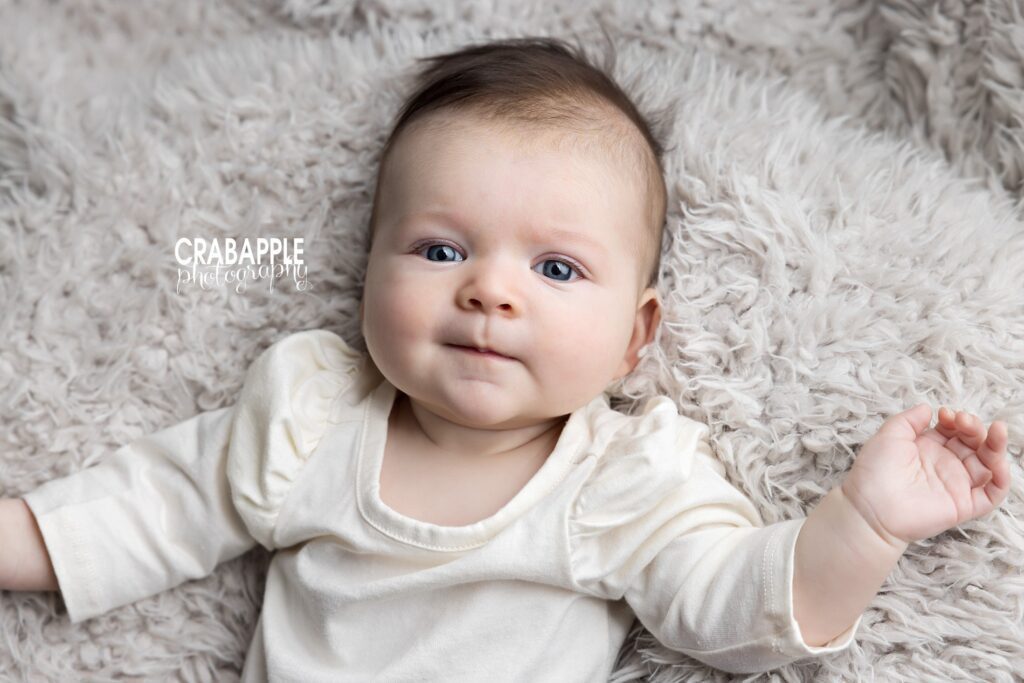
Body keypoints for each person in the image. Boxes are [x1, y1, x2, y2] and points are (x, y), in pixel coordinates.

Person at [1, 35, 1011, 681]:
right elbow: (145, 507)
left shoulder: (621, 478)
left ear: (634, 336)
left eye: (558, 267)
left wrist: (864, 521)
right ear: (365, 281)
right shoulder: (311, 415)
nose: (489, 288)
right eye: (440, 250)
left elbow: (735, 608)